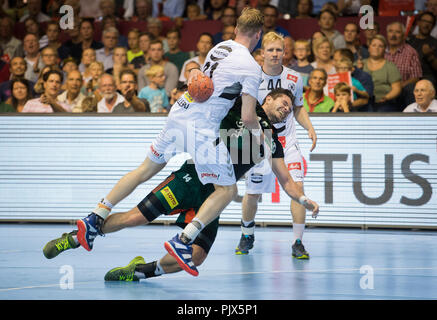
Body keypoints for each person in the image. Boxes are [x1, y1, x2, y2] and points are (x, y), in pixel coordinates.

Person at [42, 88, 319, 281]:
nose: (285, 110)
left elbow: (288, 183)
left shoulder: (274, 143)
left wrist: (304, 200)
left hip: (216, 198)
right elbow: (211, 94)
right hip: (192, 177)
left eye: (288, 109)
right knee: (134, 218)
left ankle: (139, 271)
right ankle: (76, 237)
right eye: (281, 104)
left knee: (196, 257)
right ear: (267, 99)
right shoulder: (243, 106)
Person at [73, 7, 267, 277]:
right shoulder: (252, 67)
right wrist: (259, 138)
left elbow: (197, 72)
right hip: (202, 128)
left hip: (180, 112)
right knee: (226, 191)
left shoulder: (220, 47)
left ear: (235, 29)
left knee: (144, 170)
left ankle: (95, 216)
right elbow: (247, 116)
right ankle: (184, 240)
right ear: (258, 35)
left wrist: (193, 73)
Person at [236, 32, 317, 258]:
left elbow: (298, 107)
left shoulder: (294, 79)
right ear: (262, 53)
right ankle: (247, 233)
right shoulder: (251, 77)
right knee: (252, 194)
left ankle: (298, 242)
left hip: (287, 143)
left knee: (297, 189)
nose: (274, 54)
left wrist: (309, 127)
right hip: (258, 144)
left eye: (278, 50)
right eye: (270, 50)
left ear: (284, 53)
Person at [385, 22, 422, 107]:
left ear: (403, 35)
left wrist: (398, 87)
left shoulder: (411, 52)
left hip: (403, 91)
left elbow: (415, 78)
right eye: (390, 31)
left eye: (397, 32)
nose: (393, 35)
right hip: (383, 91)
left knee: (411, 88)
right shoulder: (381, 50)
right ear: (387, 34)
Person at [363, 35, 402, 112]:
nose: (376, 48)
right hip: (363, 101)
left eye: (380, 46)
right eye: (374, 45)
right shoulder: (359, 64)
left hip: (384, 103)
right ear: (369, 48)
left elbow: (397, 88)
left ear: (384, 49)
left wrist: (386, 98)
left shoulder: (390, 66)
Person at [407, 11, 437, 88]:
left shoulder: (434, 42)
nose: (427, 24)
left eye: (430, 23)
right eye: (424, 21)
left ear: (433, 26)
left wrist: (430, 56)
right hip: (407, 74)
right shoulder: (409, 40)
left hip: (426, 76)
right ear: (419, 22)